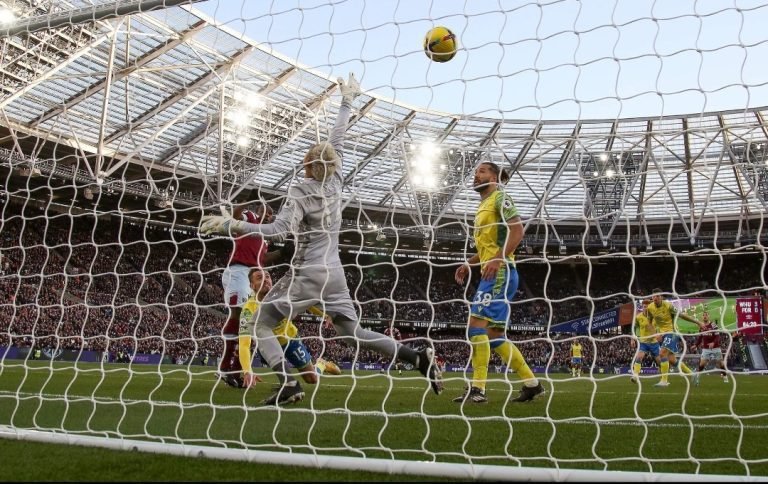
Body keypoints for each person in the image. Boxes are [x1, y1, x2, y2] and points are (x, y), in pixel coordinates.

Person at [201, 73, 442, 405]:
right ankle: (417, 357)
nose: (302, 165)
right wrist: (347, 101)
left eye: (306, 161)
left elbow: (277, 232)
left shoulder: (301, 190)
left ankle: (288, 382)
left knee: (258, 324)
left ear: (313, 166)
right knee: (354, 333)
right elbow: (337, 139)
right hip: (335, 274)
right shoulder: (336, 180)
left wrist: (232, 225)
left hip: (308, 273)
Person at [453, 161, 543, 404]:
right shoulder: (483, 205)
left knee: (475, 328)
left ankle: (478, 388)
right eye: (475, 171)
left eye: (481, 171)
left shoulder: (501, 197)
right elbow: (485, 249)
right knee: (493, 335)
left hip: (499, 273)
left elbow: (517, 231)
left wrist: (498, 258)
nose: (476, 175)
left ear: (495, 177)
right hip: (494, 271)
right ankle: (532, 383)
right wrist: (468, 263)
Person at [238, 268, 341, 388]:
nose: (266, 280)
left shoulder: (283, 295)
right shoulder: (248, 310)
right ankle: (286, 383)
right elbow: (244, 344)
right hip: (268, 345)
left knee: (312, 379)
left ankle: (321, 364)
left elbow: (308, 303)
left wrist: (327, 314)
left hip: (290, 340)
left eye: (267, 276)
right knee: (273, 358)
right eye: (259, 278)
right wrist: (247, 371)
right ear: (252, 286)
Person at [217, 202, 281, 388]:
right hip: (239, 272)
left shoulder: (265, 238)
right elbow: (235, 215)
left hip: (247, 274)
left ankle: (235, 369)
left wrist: (283, 252)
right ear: (258, 211)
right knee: (241, 317)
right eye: (265, 211)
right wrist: (247, 200)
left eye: (270, 214)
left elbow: (262, 259)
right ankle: (227, 368)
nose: (268, 215)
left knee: (248, 321)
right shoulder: (250, 219)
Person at [646, 288, 705, 387]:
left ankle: (664, 381)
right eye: (654, 296)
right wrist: (655, 334)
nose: (655, 298)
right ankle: (692, 374)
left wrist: (698, 322)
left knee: (662, 353)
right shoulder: (650, 308)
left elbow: (681, 315)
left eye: (658, 296)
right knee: (672, 360)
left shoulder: (668, 305)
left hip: (672, 332)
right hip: (662, 334)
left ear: (661, 297)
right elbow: (649, 323)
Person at [692, 312, 728, 385]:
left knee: (720, 363)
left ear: (709, 316)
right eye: (703, 315)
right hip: (706, 349)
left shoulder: (713, 325)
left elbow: (718, 336)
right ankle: (698, 376)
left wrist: (713, 343)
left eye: (706, 315)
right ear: (702, 317)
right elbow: (700, 337)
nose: (705, 317)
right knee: (702, 364)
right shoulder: (701, 326)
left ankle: (725, 376)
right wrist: (696, 345)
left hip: (716, 348)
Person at [630, 299, 661, 383]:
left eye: (647, 306)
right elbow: (634, 327)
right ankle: (635, 376)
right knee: (639, 357)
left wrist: (659, 334)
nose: (646, 308)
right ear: (642, 307)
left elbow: (659, 327)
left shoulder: (654, 317)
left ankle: (663, 376)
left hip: (654, 342)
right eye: (644, 307)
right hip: (643, 342)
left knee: (659, 362)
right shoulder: (638, 317)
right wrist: (632, 339)